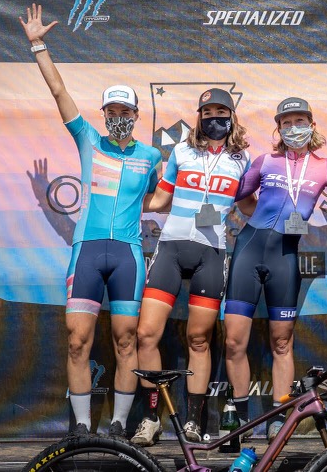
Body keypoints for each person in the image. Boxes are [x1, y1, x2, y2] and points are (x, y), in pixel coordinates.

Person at [19, 4, 162, 438]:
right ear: (104, 114)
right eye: (111, 110)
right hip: (86, 250)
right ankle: (81, 426)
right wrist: (38, 45)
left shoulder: (150, 155)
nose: (118, 117)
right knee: (77, 340)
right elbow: (59, 92)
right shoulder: (89, 140)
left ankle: (118, 424)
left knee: (126, 340)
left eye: (125, 110)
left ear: (136, 114)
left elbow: (155, 198)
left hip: (128, 255)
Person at [131, 88, 255, 446]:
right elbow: (160, 200)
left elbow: (249, 206)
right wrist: (121, 196)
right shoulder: (181, 152)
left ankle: (192, 422)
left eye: (221, 112)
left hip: (210, 254)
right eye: (207, 112)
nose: (214, 118)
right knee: (146, 334)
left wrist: (289, 204)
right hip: (171, 248)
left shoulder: (242, 160)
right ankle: (151, 418)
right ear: (199, 116)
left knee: (199, 339)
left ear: (231, 117)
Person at [224, 97, 327, 442]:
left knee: (281, 341)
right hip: (249, 250)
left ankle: (279, 416)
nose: (294, 128)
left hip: (285, 257)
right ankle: (241, 419)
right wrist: (256, 215)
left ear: (312, 124)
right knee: (234, 341)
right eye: (287, 123)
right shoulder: (265, 161)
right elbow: (240, 196)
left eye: (300, 121)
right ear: (278, 128)